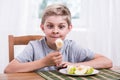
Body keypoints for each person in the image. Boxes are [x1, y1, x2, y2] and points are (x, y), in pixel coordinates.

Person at [4, 4, 112, 73]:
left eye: (61, 26)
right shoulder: (34, 47)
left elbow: (107, 62)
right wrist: (44, 62)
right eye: (50, 26)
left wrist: (75, 65)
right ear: (43, 28)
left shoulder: (71, 47)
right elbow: (9, 69)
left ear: (69, 28)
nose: (55, 31)